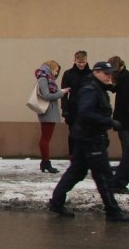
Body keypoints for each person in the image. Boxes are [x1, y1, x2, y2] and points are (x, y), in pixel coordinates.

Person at [48, 61, 129, 222]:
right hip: (90, 139)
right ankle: (113, 211)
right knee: (103, 175)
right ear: (96, 72)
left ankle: (56, 202)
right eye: (106, 74)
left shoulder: (96, 88)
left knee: (76, 172)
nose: (109, 77)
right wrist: (109, 122)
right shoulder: (91, 90)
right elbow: (85, 113)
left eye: (110, 74)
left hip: (86, 137)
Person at [35, 60, 69, 173]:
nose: (56, 73)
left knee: (46, 138)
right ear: (52, 68)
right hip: (47, 112)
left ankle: (45, 162)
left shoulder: (46, 77)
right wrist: (62, 92)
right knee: (45, 138)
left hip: (50, 111)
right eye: (56, 70)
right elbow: (47, 95)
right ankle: (46, 162)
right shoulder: (44, 78)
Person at [60, 50, 91, 158]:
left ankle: (85, 156)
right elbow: (63, 93)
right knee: (73, 135)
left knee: (87, 134)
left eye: (83, 62)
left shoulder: (91, 74)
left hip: (88, 109)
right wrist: (65, 110)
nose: (82, 65)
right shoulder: (68, 74)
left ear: (86, 61)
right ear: (75, 61)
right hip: (73, 110)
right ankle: (73, 156)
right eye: (79, 62)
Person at [107, 56, 129, 194]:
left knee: (127, 153)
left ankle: (118, 181)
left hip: (124, 120)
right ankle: (118, 182)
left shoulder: (124, 79)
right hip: (124, 121)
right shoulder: (123, 78)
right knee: (127, 153)